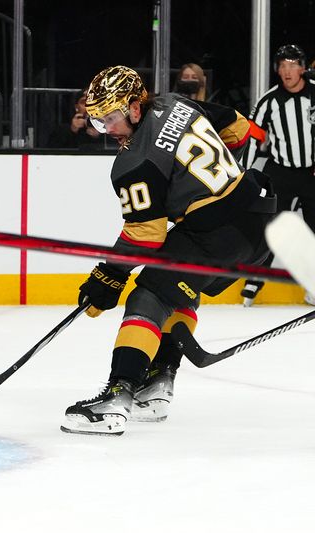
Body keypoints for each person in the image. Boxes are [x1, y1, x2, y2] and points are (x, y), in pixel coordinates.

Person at [61, 66, 273, 436]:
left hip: (215, 232)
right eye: (97, 121)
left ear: (134, 108)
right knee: (178, 288)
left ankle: (118, 395)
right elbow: (239, 130)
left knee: (148, 296)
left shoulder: (133, 162)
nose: (106, 129)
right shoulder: (178, 104)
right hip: (256, 222)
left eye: (110, 118)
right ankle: (158, 381)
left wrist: (107, 277)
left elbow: (145, 234)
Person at [240, 44, 315, 306]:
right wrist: (246, 174)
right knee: (272, 227)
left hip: (312, 172)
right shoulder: (269, 101)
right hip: (281, 171)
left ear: (303, 68)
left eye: (293, 64)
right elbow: (252, 137)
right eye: (282, 65)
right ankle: (254, 279)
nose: (287, 71)